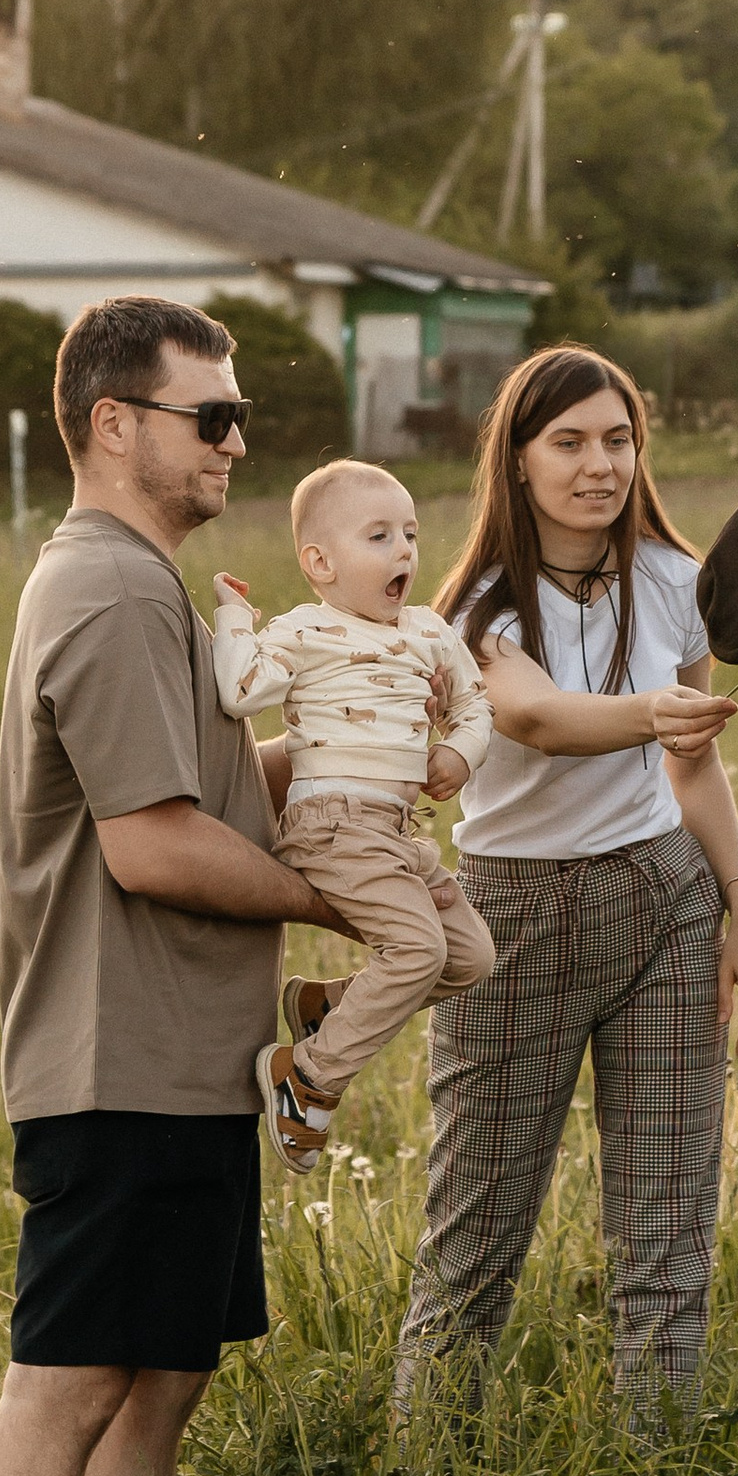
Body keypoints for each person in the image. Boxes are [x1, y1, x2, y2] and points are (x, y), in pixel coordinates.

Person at [0, 292, 355, 1476]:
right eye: (214, 416)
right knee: (66, 1387)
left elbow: (209, 789)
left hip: (183, 1062)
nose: (240, 442)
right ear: (115, 425)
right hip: (112, 1061)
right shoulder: (110, 588)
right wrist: (338, 906)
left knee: (160, 1384)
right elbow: (154, 842)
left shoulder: (143, 587)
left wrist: (362, 747)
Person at [396, 344, 738, 1411]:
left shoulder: (675, 580)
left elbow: (693, 763)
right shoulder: (470, 612)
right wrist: (655, 712)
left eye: (617, 440)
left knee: (666, 1239)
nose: (596, 465)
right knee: (474, 1243)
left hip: (664, 906)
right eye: (567, 442)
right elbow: (532, 717)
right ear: (517, 461)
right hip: (511, 923)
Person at [211, 460, 497, 1166]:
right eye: (379, 536)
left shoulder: (429, 631)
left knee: (471, 958)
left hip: (398, 833)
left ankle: (329, 1010)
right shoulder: (306, 629)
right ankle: (307, 1076)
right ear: (321, 563)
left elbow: (475, 704)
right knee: (419, 950)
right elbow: (242, 692)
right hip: (332, 824)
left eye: (409, 533)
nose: (404, 549)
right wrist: (232, 622)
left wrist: (459, 755)